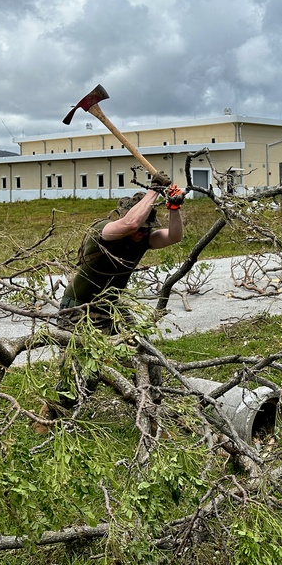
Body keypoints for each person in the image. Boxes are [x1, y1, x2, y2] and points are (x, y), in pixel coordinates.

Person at [34, 173, 185, 433]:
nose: (141, 233)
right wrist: (155, 190)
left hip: (112, 305)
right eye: (140, 228)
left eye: (146, 228)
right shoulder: (104, 231)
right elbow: (130, 223)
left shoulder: (144, 237)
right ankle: (51, 416)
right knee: (83, 372)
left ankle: (154, 410)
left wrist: (173, 208)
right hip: (78, 308)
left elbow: (174, 236)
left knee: (145, 354)